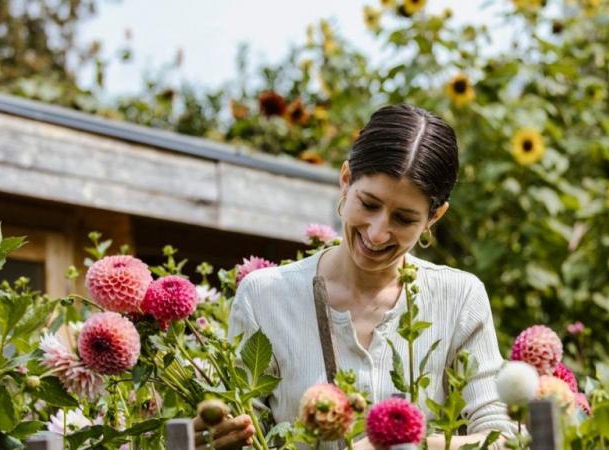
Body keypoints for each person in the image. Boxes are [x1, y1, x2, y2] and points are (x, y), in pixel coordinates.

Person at [194, 104, 514, 449]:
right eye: (369, 204)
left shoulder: (460, 297)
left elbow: (502, 439)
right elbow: (244, 428)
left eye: (404, 219)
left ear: (434, 216)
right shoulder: (265, 297)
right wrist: (217, 438)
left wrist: (393, 444)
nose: (377, 233)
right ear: (345, 181)